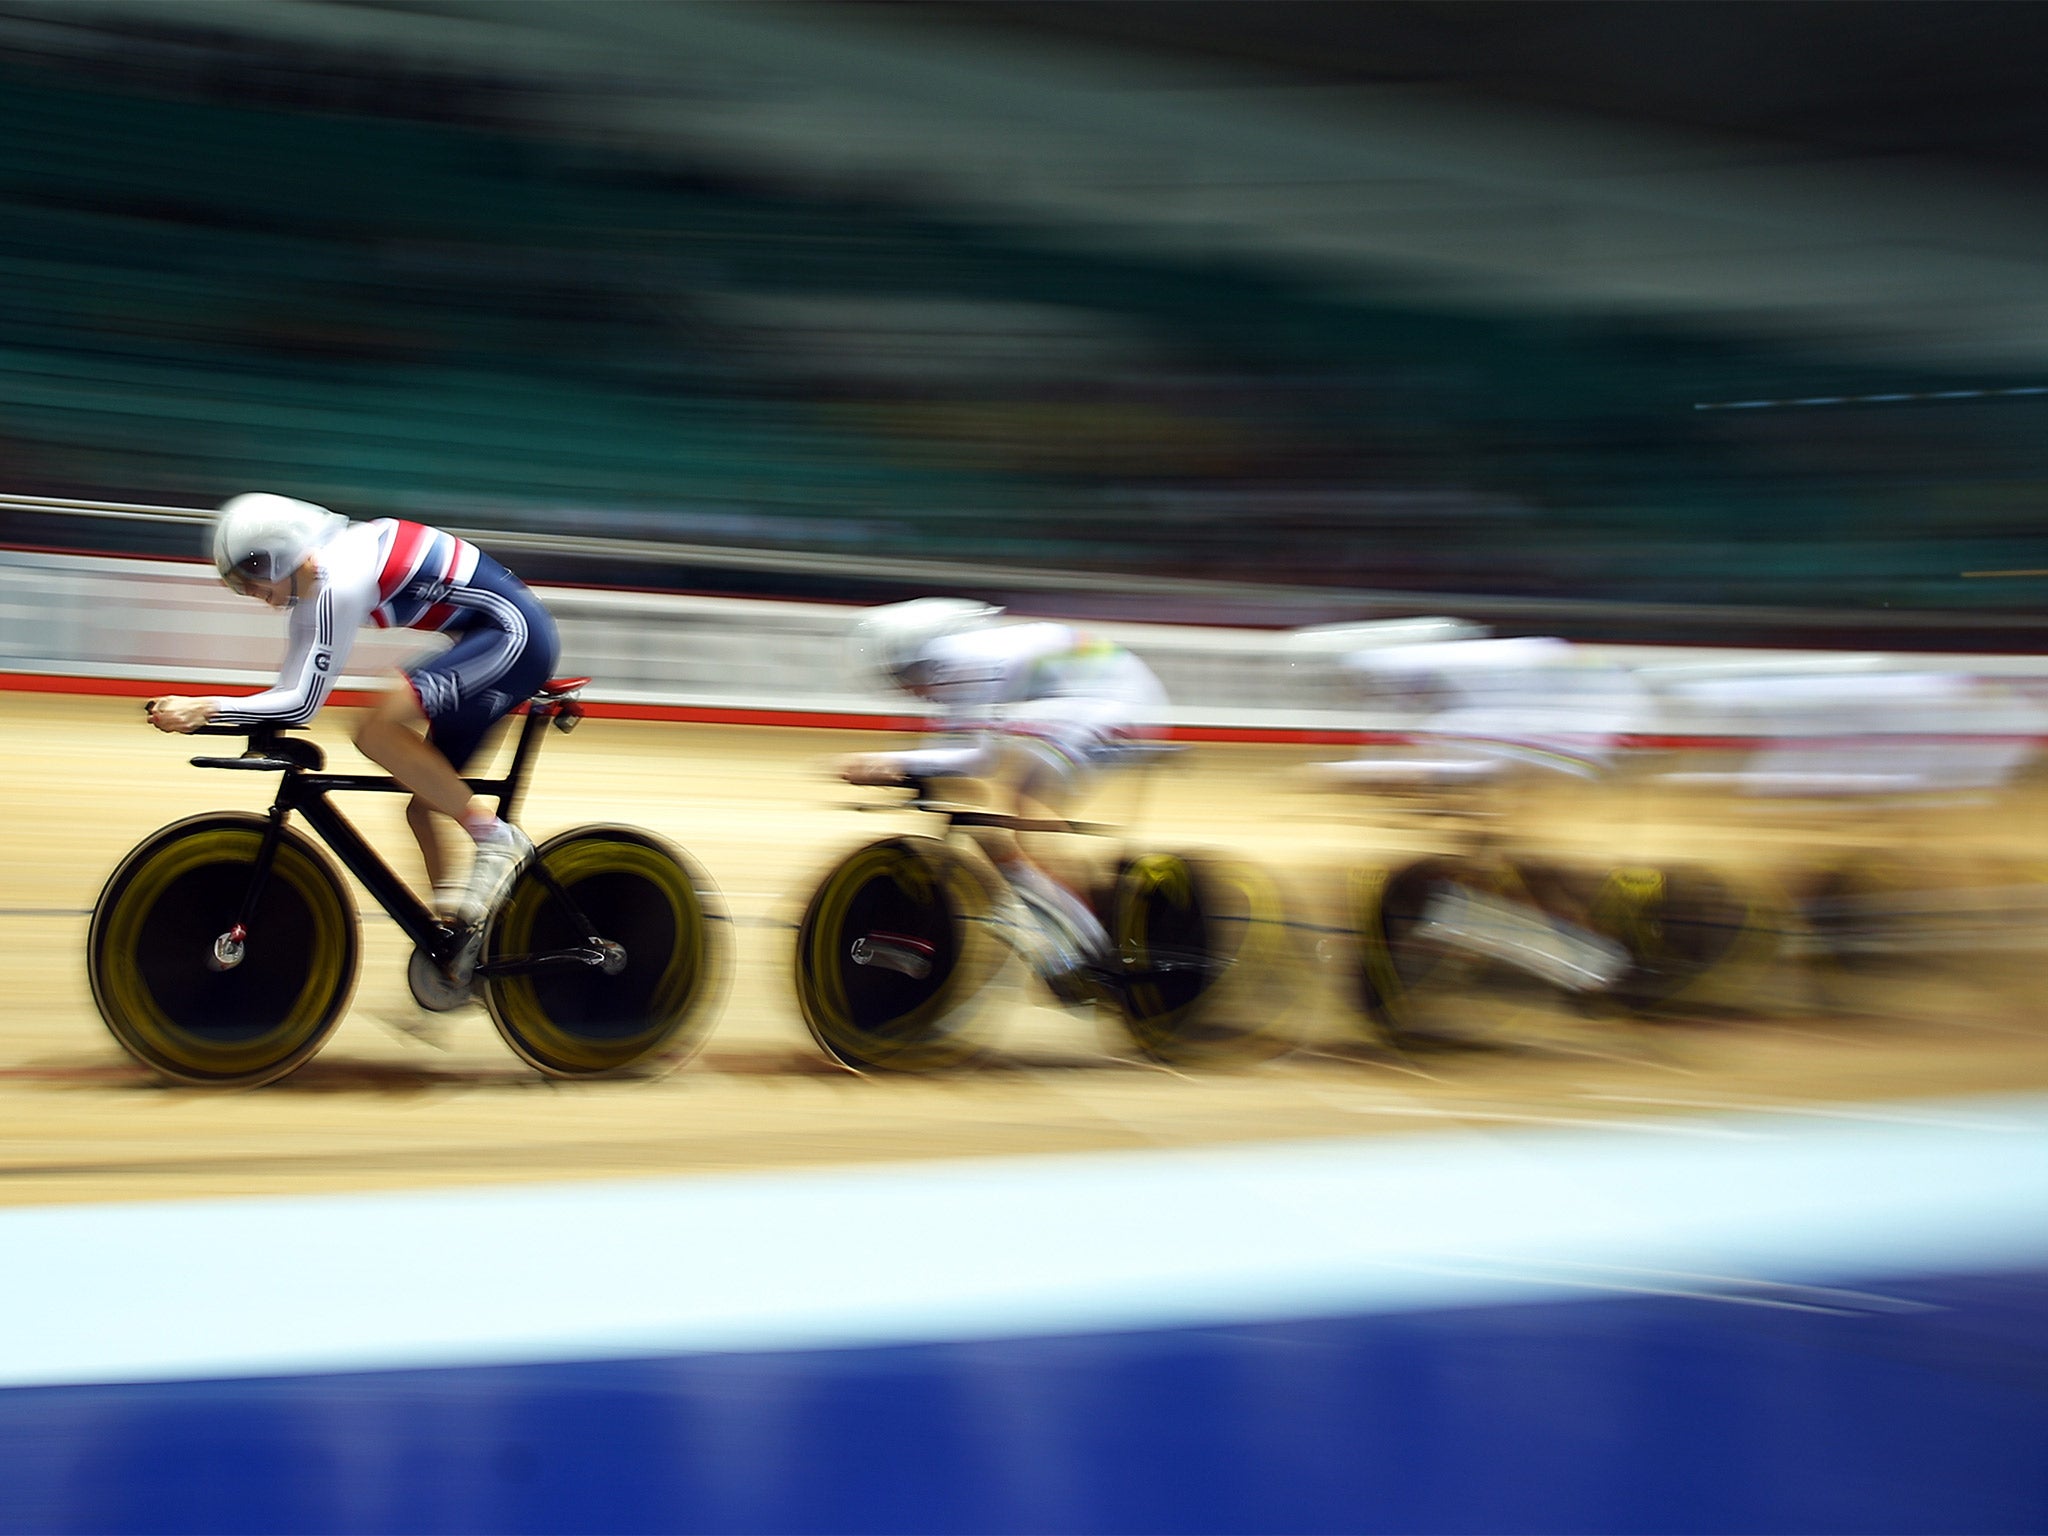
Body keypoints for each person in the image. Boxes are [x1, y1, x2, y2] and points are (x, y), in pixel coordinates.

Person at [147, 493, 560, 936]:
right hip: (490, 635)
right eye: (237, 585)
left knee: (376, 731)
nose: (251, 593)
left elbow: (303, 703)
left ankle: (497, 840)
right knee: (424, 805)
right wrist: (211, 713)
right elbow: (287, 693)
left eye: (250, 577)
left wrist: (205, 709)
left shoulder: (337, 579)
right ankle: (458, 942)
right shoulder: (316, 589)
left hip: (515, 635)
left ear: (279, 554)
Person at [840, 596, 1168, 982]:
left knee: (1024, 812)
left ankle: (1090, 948)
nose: (908, 691)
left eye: (903, 676)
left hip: (1110, 702)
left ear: (922, 656)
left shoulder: (966, 657)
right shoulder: (958, 659)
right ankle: (1075, 918)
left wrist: (893, 763)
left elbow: (974, 757)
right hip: (1084, 699)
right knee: (1002, 816)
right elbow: (954, 754)